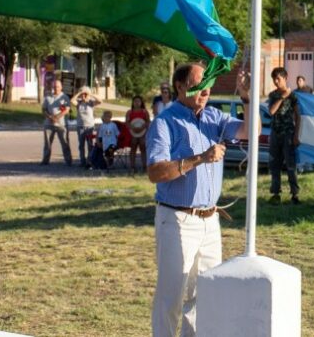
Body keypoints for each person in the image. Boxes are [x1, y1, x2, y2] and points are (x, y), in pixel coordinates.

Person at [147, 63, 249, 337]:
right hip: (177, 217)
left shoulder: (214, 116)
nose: (205, 91)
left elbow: (249, 131)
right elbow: (155, 172)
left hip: (210, 220)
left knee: (204, 294)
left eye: (208, 85)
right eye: (197, 85)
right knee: (171, 294)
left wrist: (247, 98)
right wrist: (200, 158)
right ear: (180, 86)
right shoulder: (164, 123)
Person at [268, 67, 301, 205]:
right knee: (274, 165)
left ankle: (294, 194)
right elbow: (271, 111)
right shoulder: (273, 95)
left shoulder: (293, 96)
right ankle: (276, 193)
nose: (276, 82)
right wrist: (282, 97)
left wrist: (296, 135)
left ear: (285, 78)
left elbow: (298, 116)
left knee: (290, 165)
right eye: (274, 79)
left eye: (278, 79)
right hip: (275, 133)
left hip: (288, 134)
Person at [42, 79, 72, 166]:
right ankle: (45, 161)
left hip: (61, 124)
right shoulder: (48, 97)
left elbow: (67, 110)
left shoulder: (65, 97)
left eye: (58, 87)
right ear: (52, 87)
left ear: (61, 87)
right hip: (49, 124)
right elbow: (44, 109)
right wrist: (50, 117)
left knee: (65, 143)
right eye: (54, 87)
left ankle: (68, 161)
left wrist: (57, 117)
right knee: (47, 143)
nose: (56, 88)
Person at [72, 86, 101, 170]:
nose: (84, 96)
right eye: (83, 95)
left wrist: (90, 94)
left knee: (90, 145)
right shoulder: (78, 103)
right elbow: (72, 101)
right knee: (81, 145)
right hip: (80, 126)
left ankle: (90, 161)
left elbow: (100, 101)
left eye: (85, 95)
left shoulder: (91, 103)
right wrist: (79, 93)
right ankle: (82, 161)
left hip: (89, 126)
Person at [127, 95, 151, 173]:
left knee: (143, 147)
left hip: (143, 132)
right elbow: (127, 122)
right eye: (135, 101)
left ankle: (145, 166)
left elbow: (148, 121)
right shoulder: (129, 112)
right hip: (132, 132)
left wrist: (142, 127)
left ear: (141, 103)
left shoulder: (144, 112)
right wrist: (133, 128)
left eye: (138, 101)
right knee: (133, 148)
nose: (137, 103)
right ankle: (132, 167)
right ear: (133, 103)